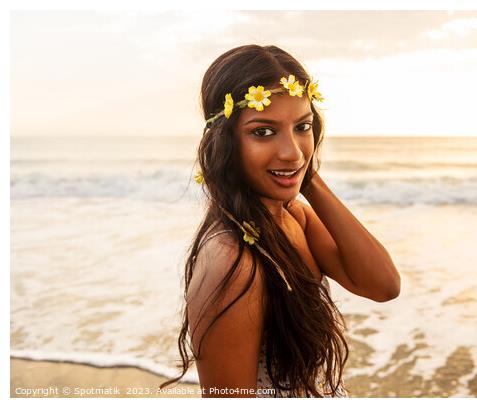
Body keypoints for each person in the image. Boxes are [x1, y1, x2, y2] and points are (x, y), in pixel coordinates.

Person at [159, 44, 400, 397]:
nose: (292, 150)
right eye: (263, 131)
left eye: (302, 126)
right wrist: (295, 169)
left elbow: (383, 285)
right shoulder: (231, 264)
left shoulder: (294, 217)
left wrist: (308, 178)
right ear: (226, 141)